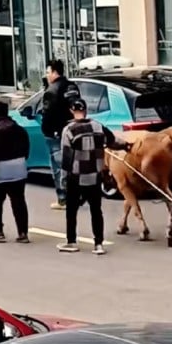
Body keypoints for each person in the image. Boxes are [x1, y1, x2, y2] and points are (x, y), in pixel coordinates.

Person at [58, 97, 129, 255]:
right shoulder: (98, 127)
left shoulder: (69, 130)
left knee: (71, 211)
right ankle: (98, 244)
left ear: (71, 110)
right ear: (86, 110)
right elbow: (113, 141)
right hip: (95, 176)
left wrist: (63, 180)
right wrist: (126, 145)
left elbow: (66, 158)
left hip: (76, 177)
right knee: (96, 211)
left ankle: (71, 242)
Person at [0, 99, 31, 243]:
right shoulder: (19, 129)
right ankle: (23, 233)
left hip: (0, 170)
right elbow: (26, 150)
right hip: (19, 168)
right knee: (19, 201)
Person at [37, 58, 75, 210]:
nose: (46, 75)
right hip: (71, 132)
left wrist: (47, 131)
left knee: (58, 168)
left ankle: (63, 199)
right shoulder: (71, 86)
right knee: (70, 166)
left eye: (48, 72)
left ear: (54, 72)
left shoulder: (51, 91)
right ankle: (74, 195)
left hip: (56, 134)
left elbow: (48, 114)